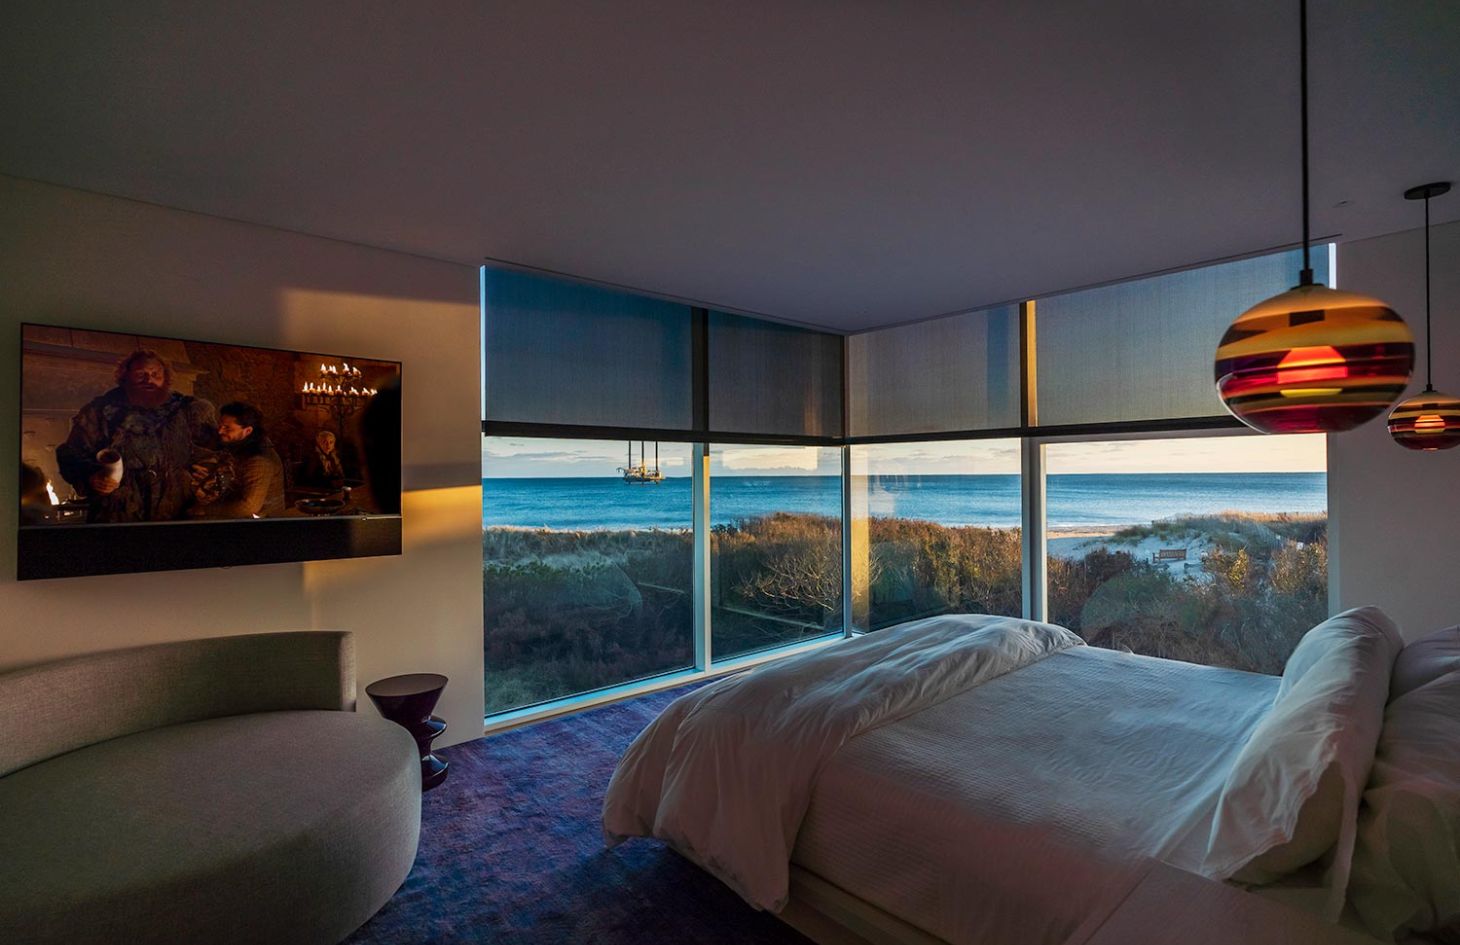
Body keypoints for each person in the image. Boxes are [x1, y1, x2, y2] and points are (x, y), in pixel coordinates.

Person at [56, 349, 218, 522]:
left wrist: (207, 479)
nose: (149, 380)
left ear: (165, 378)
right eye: (141, 374)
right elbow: (70, 453)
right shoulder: (100, 411)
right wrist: (91, 476)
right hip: (118, 511)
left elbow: (217, 454)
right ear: (126, 376)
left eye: (155, 374)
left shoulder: (186, 411)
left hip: (173, 511)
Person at [191, 401, 286, 519]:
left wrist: (205, 511)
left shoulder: (259, 460)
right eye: (220, 426)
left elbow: (248, 506)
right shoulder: (237, 448)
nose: (220, 431)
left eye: (227, 428)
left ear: (247, 431)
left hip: (262, 522)